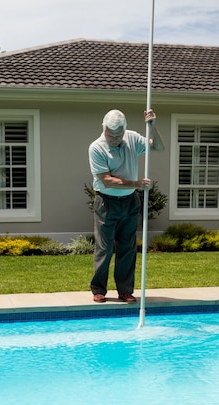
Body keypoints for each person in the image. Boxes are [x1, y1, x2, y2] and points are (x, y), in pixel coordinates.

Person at [88, 109, 164, 303]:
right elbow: (106, 180)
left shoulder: (132, 138)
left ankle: (125, 290)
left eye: (118, 134)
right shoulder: (96, 148)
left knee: (127, 247)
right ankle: (99, 290)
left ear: (124, 130)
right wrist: (136, 184)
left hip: (130, 202)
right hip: (106, 201)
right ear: (103, 128)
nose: (114, 138)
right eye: (110, 134)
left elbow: (158, 147)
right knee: (104, 248)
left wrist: (153, 127)